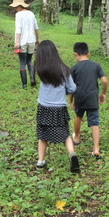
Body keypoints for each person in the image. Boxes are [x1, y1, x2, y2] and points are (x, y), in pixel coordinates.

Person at [35, 40, 80, 173]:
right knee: (65, 133)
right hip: (59, 108)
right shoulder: (64, 69)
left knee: (42, 134)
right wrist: (63, 92)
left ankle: (40, 161)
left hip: (44, 107)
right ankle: (72, 154)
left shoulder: (40, 69)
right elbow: (72, 88)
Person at [69, 42, 108, 159]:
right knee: (94, 122)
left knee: (78, 116)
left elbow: (71, 87)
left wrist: (71, 100)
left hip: (80, 96)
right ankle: (96, 149)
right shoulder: (96, 65)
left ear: (75, 54)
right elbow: (105, 81)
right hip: (92, 97)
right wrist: (103, 93)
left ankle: (76, 137)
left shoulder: (74, 68)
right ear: (88, 53)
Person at [9, 0, 40, 89]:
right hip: (32, 40)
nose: (15, 9)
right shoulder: (31, 14)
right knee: (29, 61)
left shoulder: (18, 15)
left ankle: (24, 85)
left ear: (19, 6)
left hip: (22, 41)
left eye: (15, 7)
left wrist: (16, 42)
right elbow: (36, 27)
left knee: (22, 62)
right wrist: (37, 39)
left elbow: (18, 29)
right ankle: (32, 79)